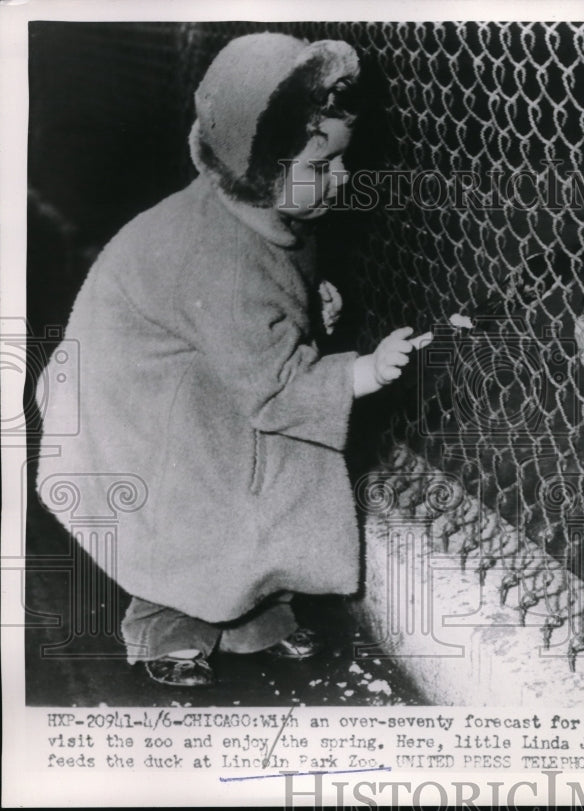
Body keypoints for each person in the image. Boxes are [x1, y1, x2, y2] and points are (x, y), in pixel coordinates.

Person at [35, 32, 422, 687]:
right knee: (185, 503)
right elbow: (274, 386)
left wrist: (300, 307)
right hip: (136, 396)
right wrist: (361, 370)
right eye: (323, 164)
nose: (344, 177)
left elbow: (265, 296)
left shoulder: (258, 208)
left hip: (189, 363)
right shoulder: (219, 256)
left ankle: (249, 610)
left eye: (341, 159)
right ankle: (165, 623)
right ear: (263, 171)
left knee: (256, 474)